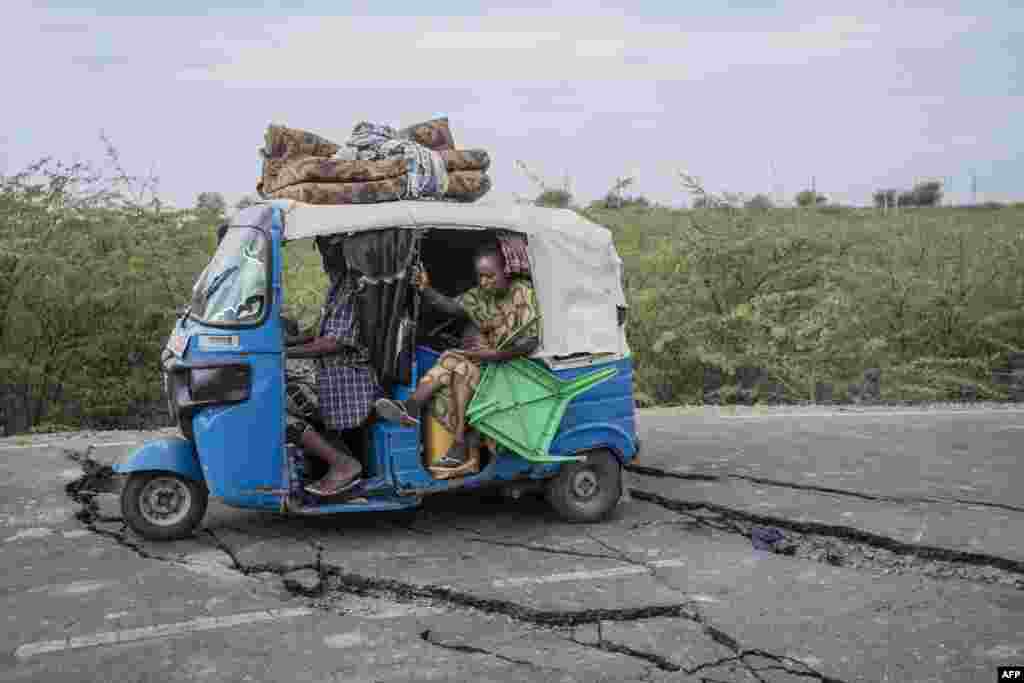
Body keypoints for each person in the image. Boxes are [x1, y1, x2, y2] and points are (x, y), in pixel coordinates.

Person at [375, 244, 541, 466]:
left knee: (459, 365)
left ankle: (441, 428)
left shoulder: (523, 292)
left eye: (490, 276)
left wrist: (496, 354)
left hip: (514, 367)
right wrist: (426, 288)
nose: (484, 283)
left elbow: (531, 341)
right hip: (488, 363)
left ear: (506, 271)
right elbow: (451, 307)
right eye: (480, 277)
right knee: (455, 360)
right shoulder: (482, 295)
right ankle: (418, 411)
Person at [284, 236, 382, 496]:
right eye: (324, 251)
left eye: (331, 250)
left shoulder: (352, 288)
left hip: (348, 378)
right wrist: (285, 342)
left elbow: (333, 342)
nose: (326, 258)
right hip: (330, 373)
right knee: (290, 394)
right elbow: (319, 333)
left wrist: (285, 353)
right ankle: (340, 465)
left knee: (279, 407)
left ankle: (343, 465)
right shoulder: (337, 285)